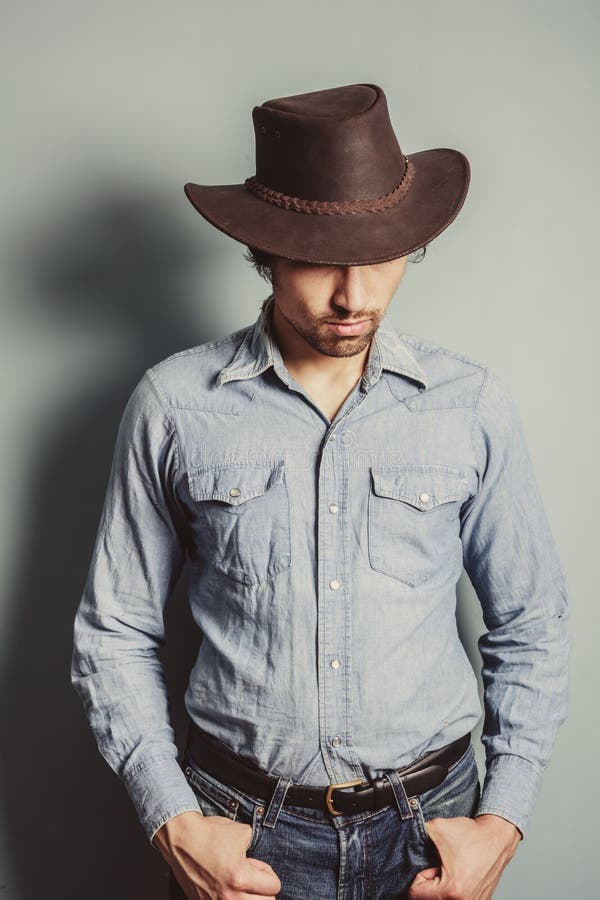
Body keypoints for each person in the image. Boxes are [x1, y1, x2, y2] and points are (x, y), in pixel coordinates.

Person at [70, 82, 570, 900]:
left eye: (381, 258)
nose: (354, 295)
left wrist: (501, 823)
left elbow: (532, 620)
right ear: (264, 253)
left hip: (430, 833)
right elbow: (114, 632)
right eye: (316, 260)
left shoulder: (469, 402)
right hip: (241, 829)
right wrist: (174, 823)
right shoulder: (175, 404)